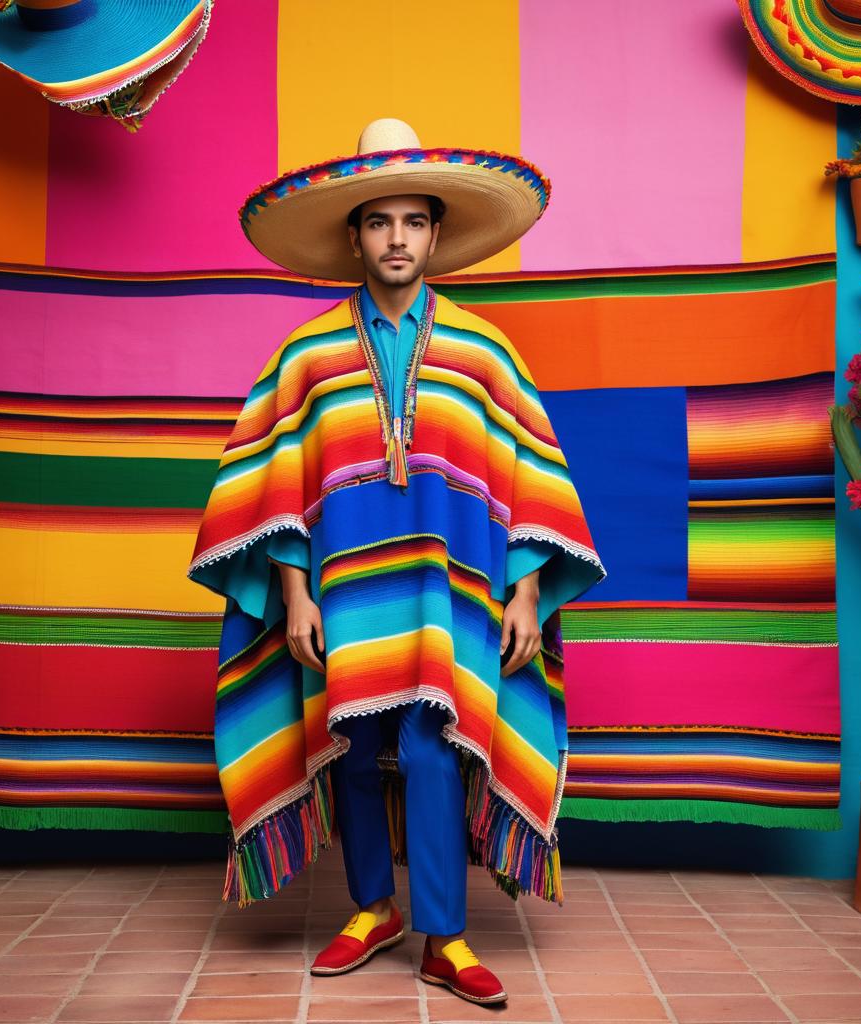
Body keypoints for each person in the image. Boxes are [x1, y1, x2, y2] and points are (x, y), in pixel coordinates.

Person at [187, 118, 607, 1006]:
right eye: (379, 222)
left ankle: (445, 936)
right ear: (354, 236)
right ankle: (372, 907)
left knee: (429, 748)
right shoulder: (306, 357)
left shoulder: (482, 351)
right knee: (350, 739)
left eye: (414, 222)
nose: (397, 239)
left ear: (437, 233)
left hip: (450, 596)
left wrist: (527, 589)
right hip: (339, 590)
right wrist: (293, 594)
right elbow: (275, 484)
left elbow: (524, 473)